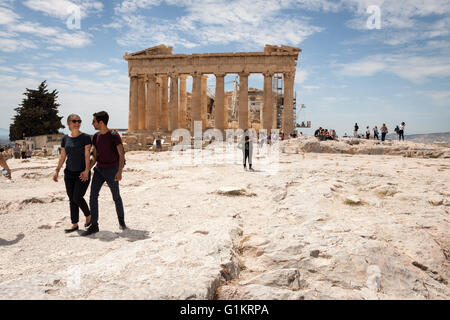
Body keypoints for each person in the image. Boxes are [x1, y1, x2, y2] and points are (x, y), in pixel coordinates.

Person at [83, 111, 126, 236]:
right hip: (99, 170)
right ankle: (94, 225)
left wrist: (119, 172)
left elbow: (121, 154)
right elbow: (95, 156)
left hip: (112, 170)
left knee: (116, 197)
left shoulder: (114, 134)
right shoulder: (96, 137)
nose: (92, 123)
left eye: (94, 121)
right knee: (93, 196)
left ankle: (121, 221)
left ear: (100, 122)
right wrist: (87, 169)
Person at [53, 114, 92, 233]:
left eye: (79, 121)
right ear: (69, 123)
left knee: (77, 197)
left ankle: (88, 216)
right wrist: (57, 170)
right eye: (74, 121)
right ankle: (74, 223)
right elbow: (63, 156)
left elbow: (87, 155)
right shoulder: (65, 139)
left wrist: (86, 170)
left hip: (82, 173)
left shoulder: (85, 137)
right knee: (71, 199)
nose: (77, 123)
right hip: (69, 173)